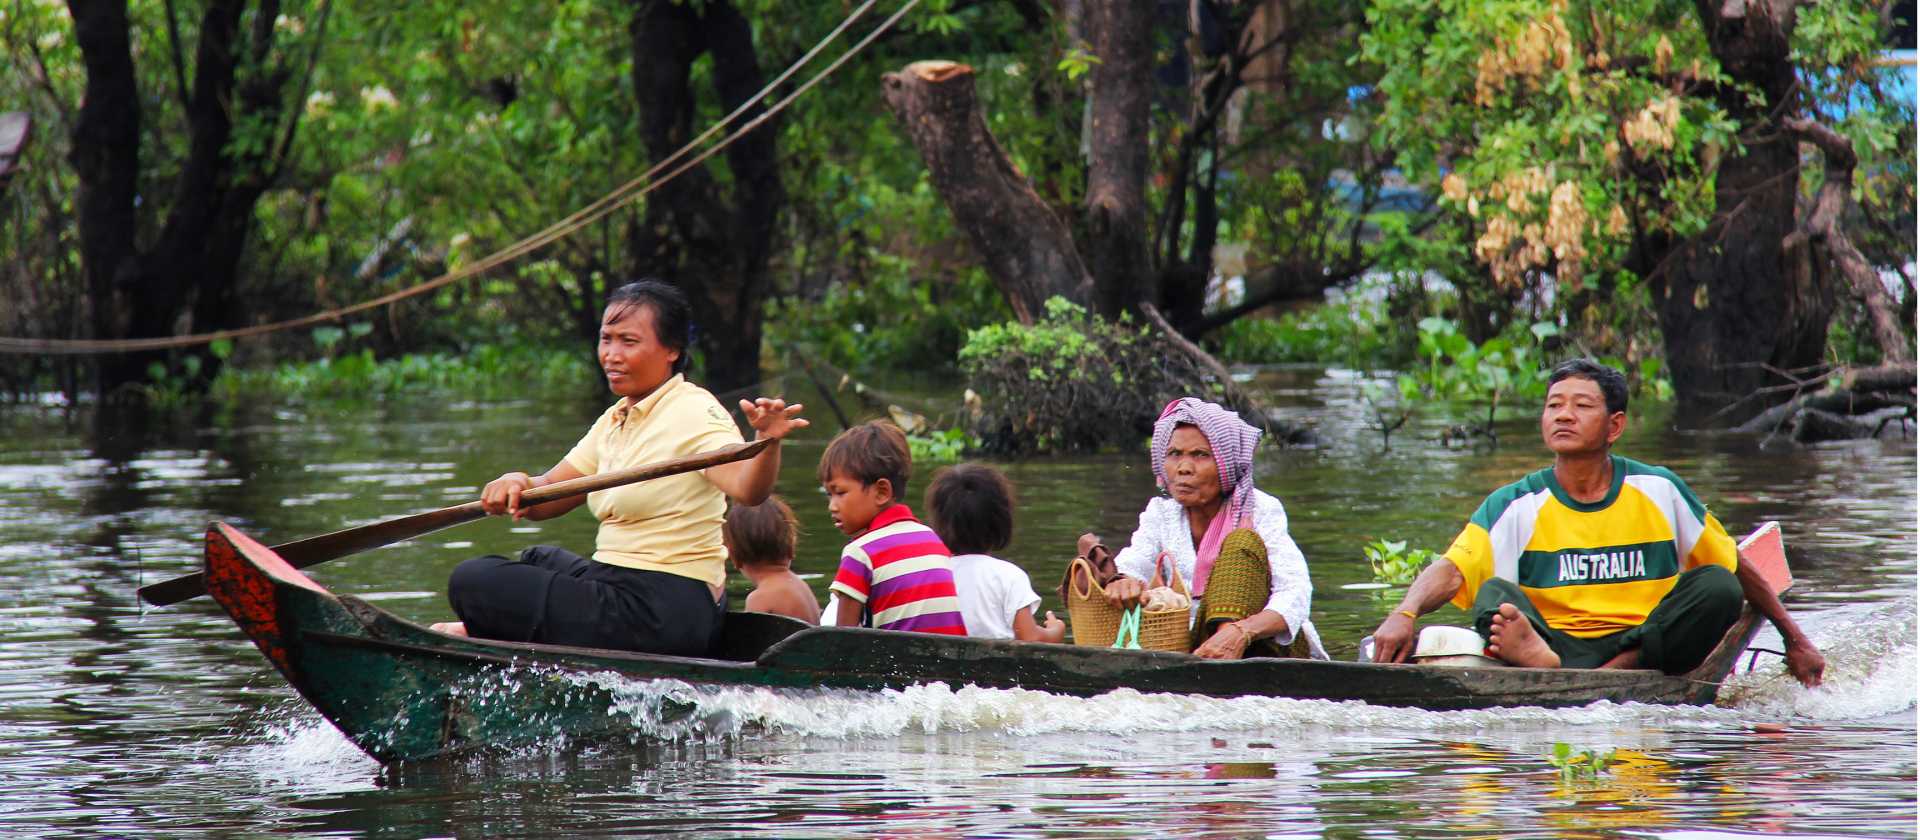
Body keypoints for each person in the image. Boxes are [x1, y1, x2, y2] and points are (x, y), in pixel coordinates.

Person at [1367, 359, 1826, 686]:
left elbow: (1738, 565)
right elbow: (1451, 570)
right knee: (1492, 594)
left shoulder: (1659, 490)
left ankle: (1598, 677)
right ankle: (1549, 665)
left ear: (1615, 426)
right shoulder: (1517, 502)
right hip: (1550, 641)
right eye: (1554, 405)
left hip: (1645, 642)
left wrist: (1795, 638)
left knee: (1719, 587)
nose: (1563, 415)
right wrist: (1403, 613)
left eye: (1582, 406)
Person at [427, 279, 807, 655]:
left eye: (629, 341)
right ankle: (495, 628)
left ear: (671, 349)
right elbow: (549, 495)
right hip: (620, 585)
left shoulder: (695, 411)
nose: (612, 354)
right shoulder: (617, 417)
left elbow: (748, 489)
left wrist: (766, 444)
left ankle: (483, 629)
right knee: (537, 557)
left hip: (665, 609)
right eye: (606, 339)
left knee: (471, 581)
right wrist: (516, 484)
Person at [1087, 398, 1327, 660]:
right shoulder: (1161, 513)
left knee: (1241, 543)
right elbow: (1135, 562)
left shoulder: (1260, 509)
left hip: (1262, 644)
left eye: (1200, 455)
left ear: (1227, 462)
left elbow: (1295, 592)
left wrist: (1240, 632)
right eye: (1174, 454)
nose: (1184, 468)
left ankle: (1225, 645)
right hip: (1191, 643)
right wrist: (1122, 582)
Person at [821, 421, 968, 635]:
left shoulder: (860, 552)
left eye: (840, 493)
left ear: (881, 492)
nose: (832, 506)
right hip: (950, 663)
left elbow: (843, 639)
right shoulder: (932, 539)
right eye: (829, 494)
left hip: (896, 663)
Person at [925, 463, 1066, 643]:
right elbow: (1031, 639)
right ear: (1000, 521)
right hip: (996, 670)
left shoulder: (931, 575)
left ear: (939, 522)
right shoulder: (1009, 577)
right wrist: (1056, 630)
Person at [723, 496, 822, 624]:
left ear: (733, 555)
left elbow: (751, 642)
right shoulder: (800, 586)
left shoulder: (759, 599)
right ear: (791, 546)